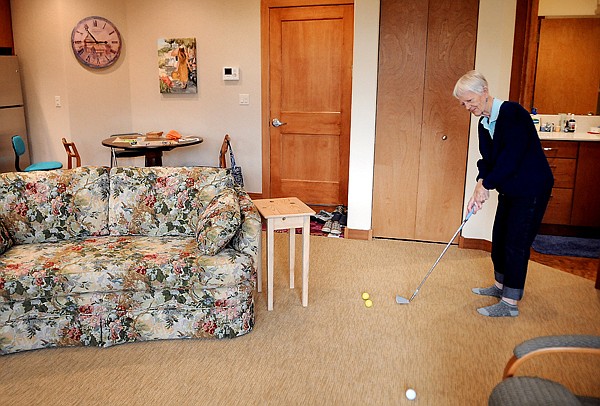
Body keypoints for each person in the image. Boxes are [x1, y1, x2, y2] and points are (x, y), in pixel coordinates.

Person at [453, 70, 554, 317]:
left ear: (484, 92)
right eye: (463, 103)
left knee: (516, 243)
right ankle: (499, 287)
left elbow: (511, 157)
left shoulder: (513, 113)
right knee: (499, 238)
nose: (467, 107)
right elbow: (488, 160)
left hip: (531, 188)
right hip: (510, 188)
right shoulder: (483, 123)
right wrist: (480, 182)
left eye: (469, 101)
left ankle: (509, 303)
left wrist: (486, 186)